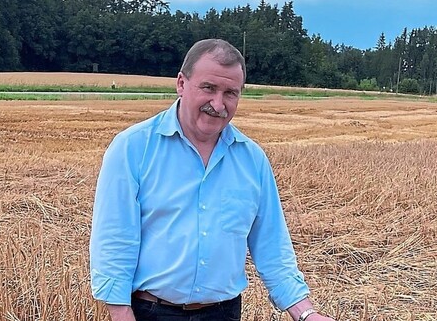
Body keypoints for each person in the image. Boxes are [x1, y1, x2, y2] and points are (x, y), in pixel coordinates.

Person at [90, 39, 335, 321]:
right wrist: (120, 312)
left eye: (230, 93)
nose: (218, 104)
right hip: (150, 312)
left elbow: (272, 245)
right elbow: (114, 242)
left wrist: (306, 313)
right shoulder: (132, 148)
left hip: (224, 313)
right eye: (209, 88)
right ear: (181, 83)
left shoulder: (252, 160)